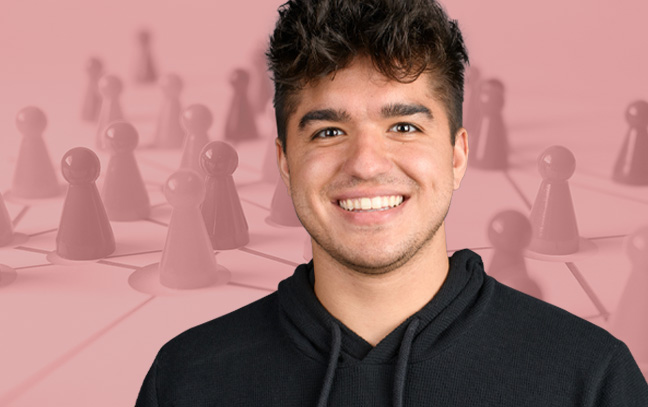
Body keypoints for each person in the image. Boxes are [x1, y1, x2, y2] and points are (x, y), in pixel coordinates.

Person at [135, 0, 648, 405]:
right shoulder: (187, 380)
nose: (365, 163)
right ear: (285, 161)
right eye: (329, 130)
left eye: (404, 127)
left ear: (457, 155)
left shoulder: (590, 379)